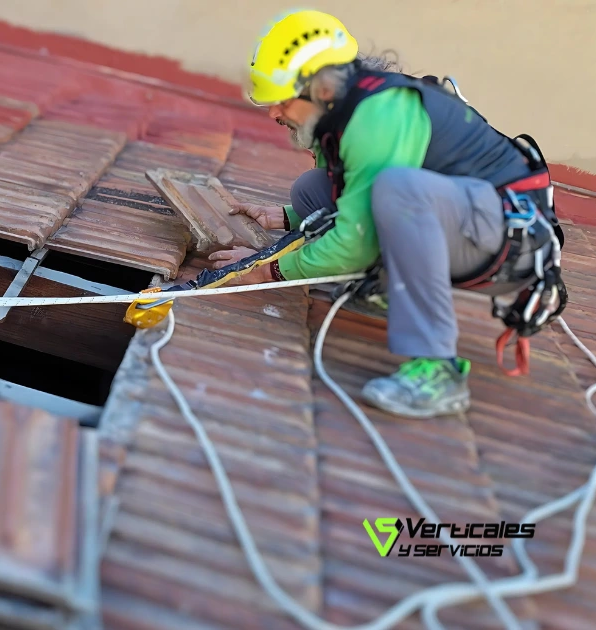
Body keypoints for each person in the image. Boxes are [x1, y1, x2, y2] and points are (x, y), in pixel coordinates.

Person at [211, 9, 561, 418]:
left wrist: (263, 271)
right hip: (468, 223)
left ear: (322, 88)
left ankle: (439, 368)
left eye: (283, 100)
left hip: (512, 247)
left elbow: (355, 240)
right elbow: (351, 197)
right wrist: (289, 218)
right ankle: (382, 292)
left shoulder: (376, 117)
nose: (273, 113)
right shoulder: (344, 115)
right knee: (311, 189)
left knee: (398, 190)